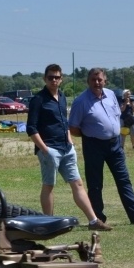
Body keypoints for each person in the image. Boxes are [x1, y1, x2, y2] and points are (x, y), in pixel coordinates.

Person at [25, 64, 111, 231]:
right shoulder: (38, 99)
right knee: (49, 185)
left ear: (61, 79)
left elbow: (65, 123)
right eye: (51, 77)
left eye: (57, 77)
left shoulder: (62, 97)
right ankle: (48, 224)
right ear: (45, 79)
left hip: (66, 148)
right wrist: (44, 149)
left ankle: (94, 221)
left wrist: (70, 141)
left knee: (78, 184)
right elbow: (31, 128)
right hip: (49, 149)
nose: (54, 80)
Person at [68, 68, 134, 226]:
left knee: (124, 180)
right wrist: (90, 133)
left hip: (115, 144)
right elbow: (73, 128)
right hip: (93, 144)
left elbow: (116, 115)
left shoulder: (111, 95)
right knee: (95, 184)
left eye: (100, 80)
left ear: (105, 81)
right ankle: (98, 218)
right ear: (88, 82)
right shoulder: (81, 101)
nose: (97, 83)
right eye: (93, 80)